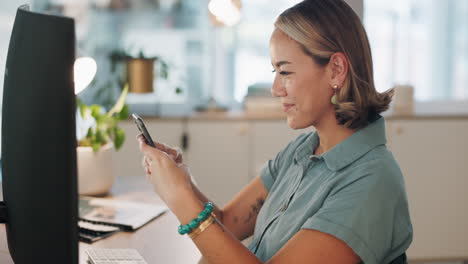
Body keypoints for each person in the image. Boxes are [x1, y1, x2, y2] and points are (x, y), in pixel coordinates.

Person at [137, 0, 413, 263]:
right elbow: (228, 222)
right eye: (275, 72)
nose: (275, 89)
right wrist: (183, 183)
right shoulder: (303, 149)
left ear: (336, 70)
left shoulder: (372, 181)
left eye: (285, 72)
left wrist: (180, 197)